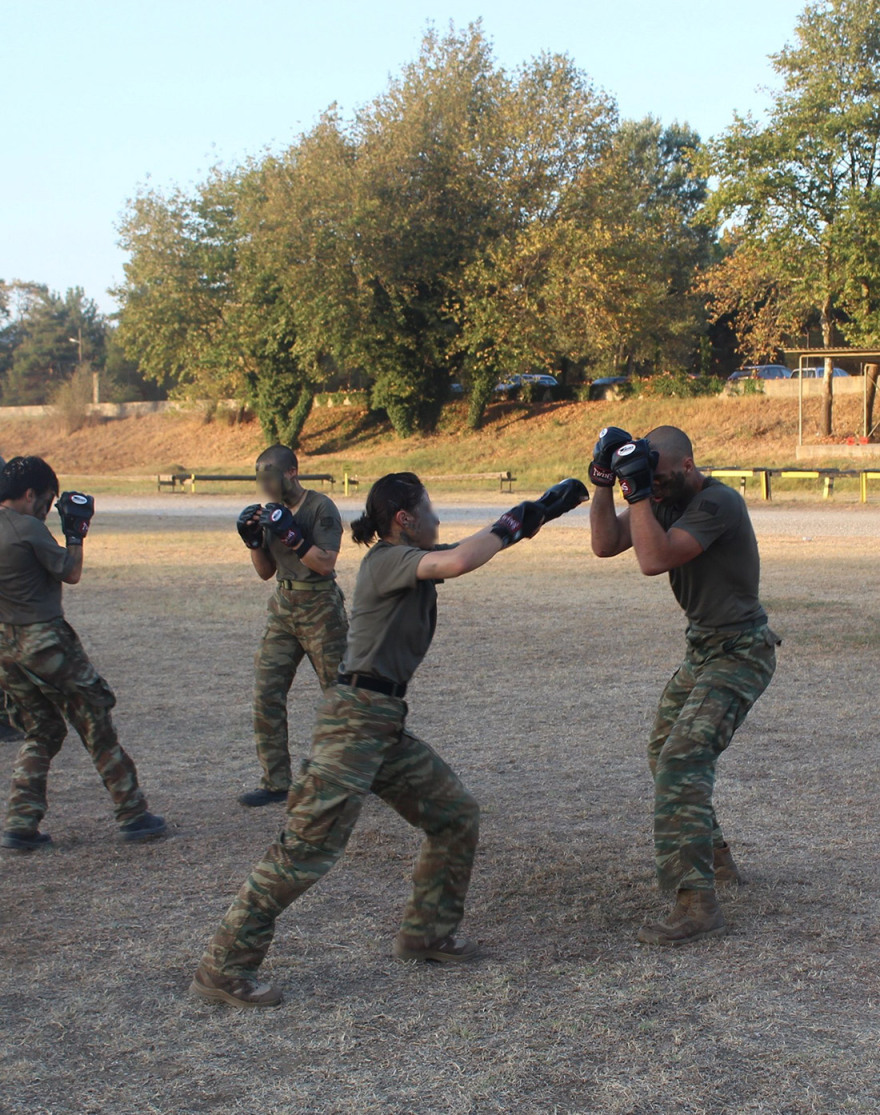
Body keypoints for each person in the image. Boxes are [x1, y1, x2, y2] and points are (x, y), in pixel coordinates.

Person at [192, 473, 587, 1007]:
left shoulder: (408, 558)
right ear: (404, 518)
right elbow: (459, 561)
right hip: (354, 723)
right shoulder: (386, 561)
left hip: (381, 724)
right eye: (429, 509)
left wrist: (538, 513)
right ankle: (225, 967)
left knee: (453, 816)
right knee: (304, 850)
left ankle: (427, 933)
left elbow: (459, 552)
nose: (437, 518)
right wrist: (516, 519)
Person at [589, 426, 779, 946]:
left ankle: (697, 905)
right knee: (662, 751)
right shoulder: (662, 495)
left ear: (688, 465)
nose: (655, 486)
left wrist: (641, 492)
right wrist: (604, 484)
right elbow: (607, 544)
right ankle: (715, 861)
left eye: (661, 478)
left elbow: (654, 560)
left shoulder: (717, 503)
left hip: (741, 653)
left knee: (682, 762)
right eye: (648, 479)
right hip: (703, 651)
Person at [0, 456, 165, 851]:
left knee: (41, 729)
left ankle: (21, 823)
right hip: (45, 640)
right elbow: (70, 572)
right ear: (29, 495)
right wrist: (76, 532)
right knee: (94, 721)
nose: (45, 509)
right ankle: (133, 813)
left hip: (5, 647)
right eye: (45, 501)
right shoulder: (26, 529)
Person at [235, 445, 349, 807]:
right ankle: (276, 781)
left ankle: (351, 775)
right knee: (266, 692)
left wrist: (294, 537)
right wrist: (253, 541)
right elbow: (266, 571)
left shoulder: (320, 507)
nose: (264, 485)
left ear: (292, 473)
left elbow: (325, 564)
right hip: (284, 606)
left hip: (320, 606)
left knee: (339, 696)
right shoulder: (271, 513)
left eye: (269, 477)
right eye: (259, 478)